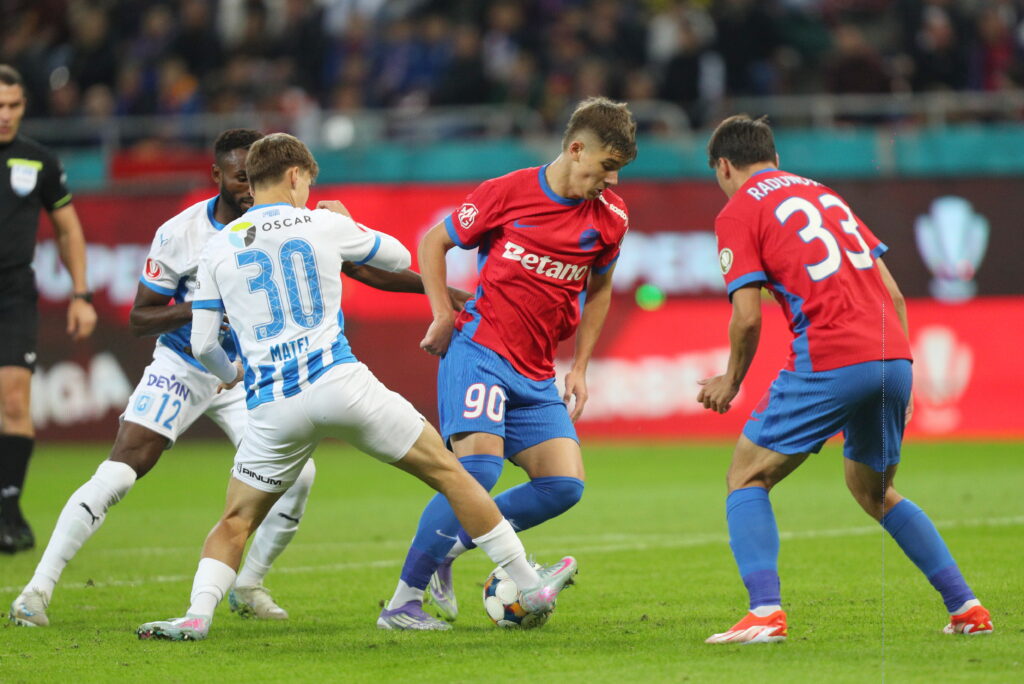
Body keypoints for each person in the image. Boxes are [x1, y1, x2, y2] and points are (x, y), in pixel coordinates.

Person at [8, 129, 465, 628]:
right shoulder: (181, 232)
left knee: (300, 477)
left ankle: (247, 585)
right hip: (185, 366)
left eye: (256, 175)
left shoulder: (286, 223)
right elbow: (142, 316)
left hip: (250, 374)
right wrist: (206, 306)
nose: (250, 185)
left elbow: (362, 269)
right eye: (239, 176)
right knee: (120, 471)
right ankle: (36, 591)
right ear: (217, 176)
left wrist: (439, 290)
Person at [135, 133, 576, 642]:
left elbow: (206, 340)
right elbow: (391, 255)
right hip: (340, 385)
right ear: (296, 176)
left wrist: (231, 375)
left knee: (236, 519)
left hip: (272, 406)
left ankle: (196, 615)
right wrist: (344, 222)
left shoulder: (216, 248)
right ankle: (526, 582)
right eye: (308, 182)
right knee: (452, 475)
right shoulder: (322, 224)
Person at [697, 114, 992, 644]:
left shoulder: (739, 209)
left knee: (746, 477)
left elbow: (746, 316)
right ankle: (965, 605)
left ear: (723, 167)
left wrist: (731, 380)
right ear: (775, 158)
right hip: (893, 355)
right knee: (875, 489)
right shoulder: (825, 195)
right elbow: (895, 295)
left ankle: (764, 611)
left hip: (831, 354)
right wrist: (901, 371)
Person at [378, 96, 636, 630]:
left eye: (619, 170)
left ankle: (447, 550)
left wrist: (581, 366)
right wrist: (441, 312)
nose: (611, 181)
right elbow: (434, 242)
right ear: (576, 148)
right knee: (476, 471)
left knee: (563, 486)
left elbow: (602, 287)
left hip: (538, 370)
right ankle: (403, 602)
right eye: (606, 166)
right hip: (481, 352)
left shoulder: (610, 219)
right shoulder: (509, 192)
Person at [0, 64, 98, 553]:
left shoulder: (37, 160)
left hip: (13, 294)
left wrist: (81, 294)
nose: (5, 115)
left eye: (14, 106)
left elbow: (68, 230)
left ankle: (9, 509)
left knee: (15, 401)